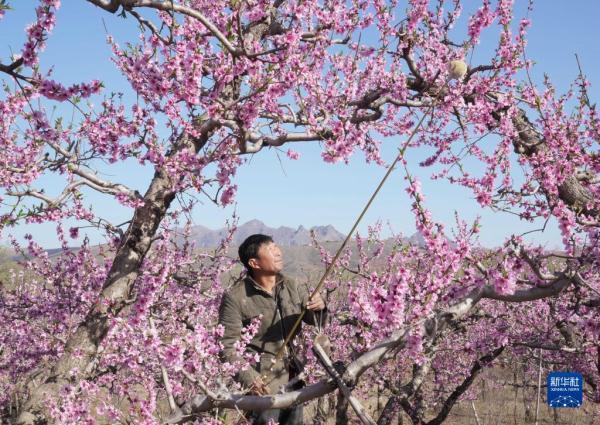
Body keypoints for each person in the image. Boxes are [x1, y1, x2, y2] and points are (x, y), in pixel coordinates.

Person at [218, 234, 327, 425]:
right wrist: (250, 379)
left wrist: (320, 307)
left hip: (295, 380)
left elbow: (314, 320)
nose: (278, 252)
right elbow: (227, 346)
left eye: (276, 247)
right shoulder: (235, 297)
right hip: (263, 387)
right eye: (270, 249)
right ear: (254, 263)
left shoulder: (292, 285)